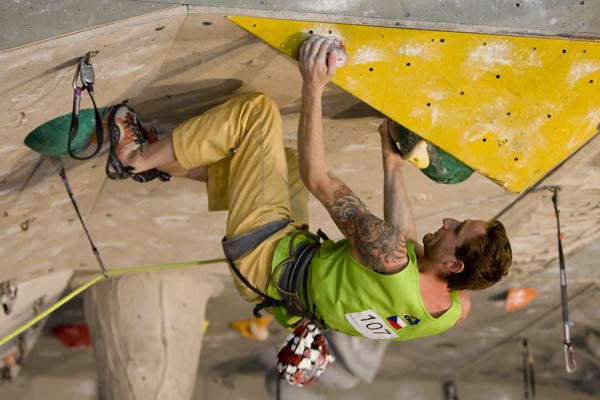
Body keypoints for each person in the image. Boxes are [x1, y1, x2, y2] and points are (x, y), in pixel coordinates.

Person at [104, 36, 512, 343]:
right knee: (280, 165)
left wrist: (313, 85)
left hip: (264, 256)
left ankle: (134, 156)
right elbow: (404, 245)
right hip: (288, 287)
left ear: (454, 265)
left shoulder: (388, 252)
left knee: (256, 113)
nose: (448, 220)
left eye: (457, 229)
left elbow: (319, 177)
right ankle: (165, 160)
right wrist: (392, 164)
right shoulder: (450, 307)